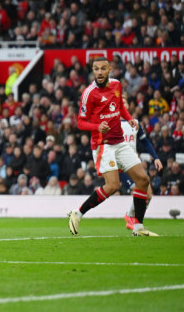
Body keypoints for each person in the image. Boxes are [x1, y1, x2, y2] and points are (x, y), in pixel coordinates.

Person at [68, 57, 157, 236]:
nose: (99, 72)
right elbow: (80, 123)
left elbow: (119, 108)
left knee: (143, 180)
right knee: (113, 185)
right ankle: (77, 213)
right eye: (96, 69)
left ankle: (138, 227)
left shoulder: (116, 85)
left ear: (110, 70)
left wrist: (129, 118)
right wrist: (96, 127)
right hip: (103, 145)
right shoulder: (89, 93)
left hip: (120, 142)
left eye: (103, 68)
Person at [119, 93, 163, 230]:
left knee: (148, 195)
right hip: (121, 166)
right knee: (137, 190)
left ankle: (130, 215)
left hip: (134, 163)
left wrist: (155, 157)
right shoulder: (112, 124)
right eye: (120, 102)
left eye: (125, 102)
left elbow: (146, 142)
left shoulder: (135, 123)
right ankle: (133, 219)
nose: (123, 104)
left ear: (128, 105)